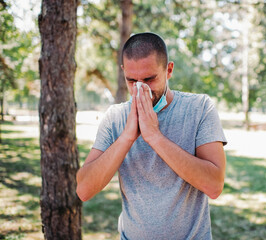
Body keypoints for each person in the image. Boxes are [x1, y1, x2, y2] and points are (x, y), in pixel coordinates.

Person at [76, 32, 227, 240]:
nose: (140, 89)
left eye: (149, 79)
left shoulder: (200, 108)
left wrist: (154, 137)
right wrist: (127, 137)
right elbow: (84, 190)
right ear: (123, 72)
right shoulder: (115, 118)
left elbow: (214, 186)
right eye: (131, 81)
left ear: (169, 70)